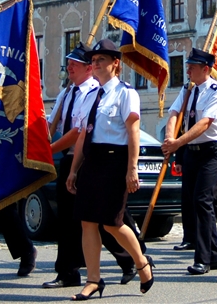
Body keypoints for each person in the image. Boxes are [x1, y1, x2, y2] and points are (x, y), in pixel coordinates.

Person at [42, 42, 142, 288]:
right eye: (68, 63)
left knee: (108, 221)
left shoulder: (102, 92)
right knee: (77, 220)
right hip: (75, 160)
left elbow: (79, 132)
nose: (69, 68)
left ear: (89, 69)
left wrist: (48, 151)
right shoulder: (68, 93)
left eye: (75, 64)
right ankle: (71, 273)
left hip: (98, 160)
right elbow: (53, 124)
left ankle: (134, 259)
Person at [66, 39, 154, 300]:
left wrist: (132, 168)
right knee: (87, 222)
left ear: (116, 63)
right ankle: (93, 280)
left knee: (112, 224)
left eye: (101, 60)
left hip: (115, 161)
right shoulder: (91, 95)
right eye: (93, 60)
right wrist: (73, 170)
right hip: (92, 160)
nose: (95, 64)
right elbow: (83, 135)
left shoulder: (126, 93)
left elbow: (133, 131)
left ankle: (142, 263)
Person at [162, 48, 217, 275]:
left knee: (203, 199)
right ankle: (215, 256)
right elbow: (174, 113)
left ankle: (203, 258)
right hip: (191, 151)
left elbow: (205, 123)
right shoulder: (187, 89)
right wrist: (170, 138)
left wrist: (177, 143)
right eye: (187, 66)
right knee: (196, 202)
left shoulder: (216, 91)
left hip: (211, 151)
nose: (188, 71)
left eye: (192, 67)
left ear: (206, 69)